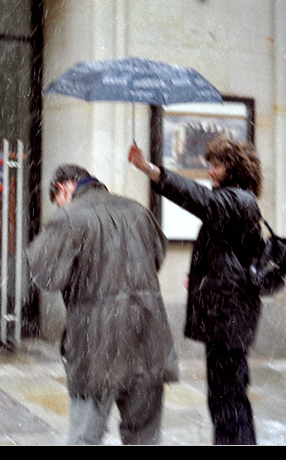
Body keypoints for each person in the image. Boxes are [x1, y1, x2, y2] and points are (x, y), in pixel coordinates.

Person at [26, 164, 178, 445]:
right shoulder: (137, 210)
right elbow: (157, 255)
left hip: (96, 342)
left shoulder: (71, 217)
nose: (60, 207)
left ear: (64, 187)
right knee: (144, 436)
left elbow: (45, 274)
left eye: (57, 201)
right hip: (148, 335)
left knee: (86, 435)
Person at [129, 137, 263, 445]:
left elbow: (198, 199)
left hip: (230, 318)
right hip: (229, 315)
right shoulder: (237, 200)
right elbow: (232, 256)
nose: (211, 172)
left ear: (234, 168)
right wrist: (204, 278)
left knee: (229, 398)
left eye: (216, 165)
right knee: (224, 396)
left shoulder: (236, 201)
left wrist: (150, 169)